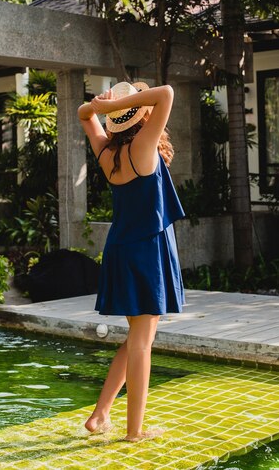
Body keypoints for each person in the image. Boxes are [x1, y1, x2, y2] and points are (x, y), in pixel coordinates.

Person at [77, 81, 185, 442]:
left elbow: (83, 114)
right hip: (146, 250)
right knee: (142, 341)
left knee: (137, 337)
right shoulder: (143, 147)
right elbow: (166, 93)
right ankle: (135, 432)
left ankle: (100, 415)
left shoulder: (108, 153)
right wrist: (119, 103)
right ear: (140, 117)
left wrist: (101, 108)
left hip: (121, 248)